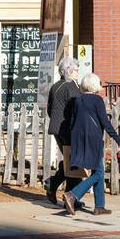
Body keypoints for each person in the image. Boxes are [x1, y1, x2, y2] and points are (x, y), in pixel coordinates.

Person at [63, 74, 120, 217]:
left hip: (78, 138)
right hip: (93, 139)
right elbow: (105, 122)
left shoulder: (77, 100)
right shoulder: (97, 100)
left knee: (98, 171)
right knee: (99, 173)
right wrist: (118, 139)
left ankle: (99, 206)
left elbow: (72, 120)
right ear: (95, 85)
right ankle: (73, 195)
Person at [45, 56, 83, 205]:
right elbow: (76, 110)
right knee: (75, 163)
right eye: (76, 70)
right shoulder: (71, 87)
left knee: (70, 161)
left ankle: (54, 185)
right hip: (67, 129)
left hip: (56, 128)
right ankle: (70, 196)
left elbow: (50, 109)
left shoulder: (55, 86)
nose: (78, 73)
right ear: (69, 71)